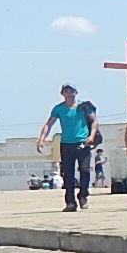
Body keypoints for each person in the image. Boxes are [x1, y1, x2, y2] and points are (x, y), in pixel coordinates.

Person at [36, 83, 97, 211]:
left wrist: (91, 136)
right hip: (66, 144)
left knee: (85, 170)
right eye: (66, 91)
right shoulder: (59, 108)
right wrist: (41, 139)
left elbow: (93, 121)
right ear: (62, 93)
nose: (69, 94)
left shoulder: (84, 106)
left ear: (76, 92)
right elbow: (49, 124)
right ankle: (70, 202)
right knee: (67, 174)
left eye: (71, 91)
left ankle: (83, 195)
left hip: (83, 142)